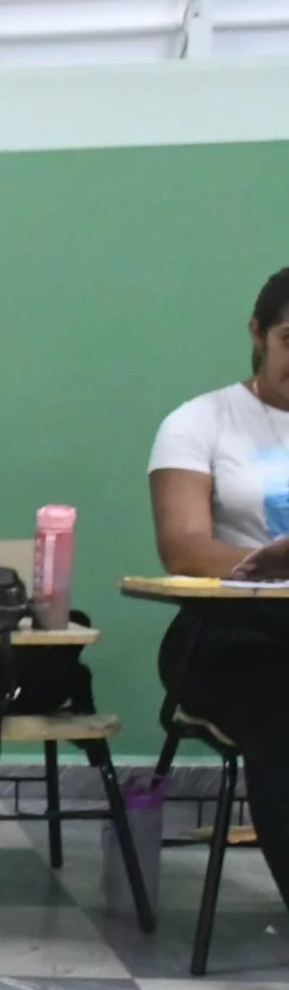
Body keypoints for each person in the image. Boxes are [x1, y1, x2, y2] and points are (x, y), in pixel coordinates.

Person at [147, 265, 289, 910]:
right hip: (225, 631)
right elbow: (184, 547)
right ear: (258, 334)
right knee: (280, 715)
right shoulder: (200, 421)